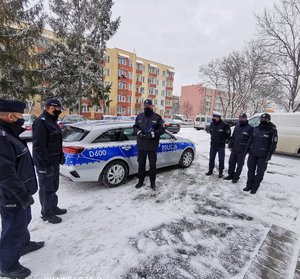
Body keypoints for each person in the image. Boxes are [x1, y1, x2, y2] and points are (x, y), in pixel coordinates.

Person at [0, 99, 44, 279]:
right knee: (13, 228)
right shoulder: (2, 138)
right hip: (12, 195)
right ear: (11, 117)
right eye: (20, 116)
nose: (23, 120)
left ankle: (23, 244)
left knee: (24, 220)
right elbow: (4, 173)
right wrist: (21, 194)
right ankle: (7, 266)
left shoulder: (9, 134)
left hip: (20, 193)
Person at [32, 98, 66, 224]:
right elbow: (38, 147)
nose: (59, 112)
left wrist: (60, 156)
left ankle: (53, 207)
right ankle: (47, 213)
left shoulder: (52, 121)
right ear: (52, 108)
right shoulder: (41, 122)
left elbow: (56, 142)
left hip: (53, 162)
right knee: (46, 189)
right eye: (58, 109)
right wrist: (45, 164)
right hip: (45, 164)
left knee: (53, 187)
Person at [133, 99, 165, 190]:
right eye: (145, 105)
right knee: (141, 165)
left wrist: (153, 133)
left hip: (152, 147)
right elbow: (135, 127)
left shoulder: (157, 117)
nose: (147, 107)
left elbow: (162, 129)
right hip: (141, 146)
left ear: (152, 106)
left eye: (149, 105)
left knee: (152, 166)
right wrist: (139, 132)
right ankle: (140, 181)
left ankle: (152, 183)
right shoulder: (139, 117)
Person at [244, 113, 278, 194]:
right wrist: (246, 151)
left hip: (263, 156)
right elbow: (250, 141)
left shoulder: (272, 130)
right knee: (250, 171)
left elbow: (273, 144)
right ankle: (249, 185)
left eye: (265, 119)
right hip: (252, 154)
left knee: (259, 173)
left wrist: (269, 155)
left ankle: (254, 188)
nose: (263, 120)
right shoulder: (256, 128)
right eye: (262, 119)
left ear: (269, 120)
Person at [224, 113, 253, 183]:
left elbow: (250, 140)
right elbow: (233, 136)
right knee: (231, 163)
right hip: (234, 148)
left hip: (242, 150)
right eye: (240, 118)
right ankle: (230, 175)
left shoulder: (250, 128)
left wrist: (247, 150)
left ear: (246, 118)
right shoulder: (237, 126)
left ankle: (236, 177)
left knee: (239, 165)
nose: (241, 119)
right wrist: (230, 145)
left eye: (242, 118)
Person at [205, 111, 231, 178]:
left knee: (221, 159)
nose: (214, 118)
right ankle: (210, 171)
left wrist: (223, 140)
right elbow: (211, 132)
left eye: (215, 117)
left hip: (221, 145)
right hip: (213, 145)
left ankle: (220, 173)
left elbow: (228, 134)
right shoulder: (212, 124)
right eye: (213, 117)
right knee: (211, 158)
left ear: (219, 117)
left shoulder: (225, 125)